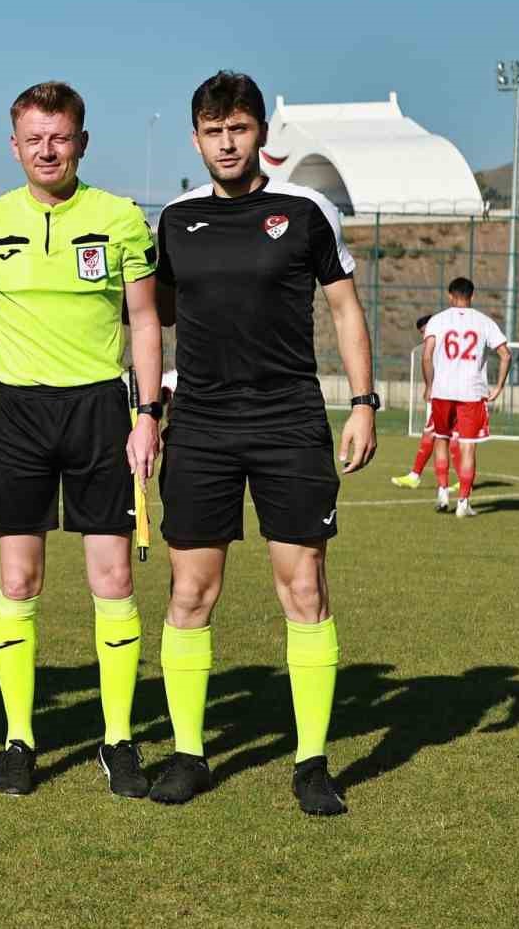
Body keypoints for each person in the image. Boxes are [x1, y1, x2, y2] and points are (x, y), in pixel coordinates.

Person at [149, 70, 377, 816]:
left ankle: (312, 763)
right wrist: (146, 410)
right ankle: (189, 754)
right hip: (203, 425)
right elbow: (156, 317)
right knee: (191, 591)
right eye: (213, 131)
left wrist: (365, 402)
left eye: (238, 128)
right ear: (196, 138)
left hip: (288, 420)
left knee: (304, 587)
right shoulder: (176, 220)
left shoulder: (305, 211)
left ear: (259, 134)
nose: (226, 142)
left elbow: (344, 308)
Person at [0, 80, 163, 798]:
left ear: (82, 142)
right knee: (18, 581)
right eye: (34, 138)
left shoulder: (119, 218)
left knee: (113, 579)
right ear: (15, 146)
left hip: (100, 412)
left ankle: (118, 739)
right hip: (16, 412)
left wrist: (147, 414)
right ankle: (19, 739)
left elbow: (145, 321)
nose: (48, 150)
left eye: (61, 136)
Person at [421, 278, 510, 517]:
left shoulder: (437, 320)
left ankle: (442, 492)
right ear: (472, 295)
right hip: (471, 392)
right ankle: (463, 503)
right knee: (468, 447)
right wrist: (499, 386)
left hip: (442, 391)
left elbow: (427, 356)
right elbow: (506, 355)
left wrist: (429, 386)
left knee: (441, 438)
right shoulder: (484, 322)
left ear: (450, 295)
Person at [390, 314, 463, 495]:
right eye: (422, 333)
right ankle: (416, 476)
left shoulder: (443, 345)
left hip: (454, 397)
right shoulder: (441, 345)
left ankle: (456, 481)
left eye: (424, 331)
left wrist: (430, 387)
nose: (424, 336)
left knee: (446, 438)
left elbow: (430, 361)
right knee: (436, 434)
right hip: (447, 397)